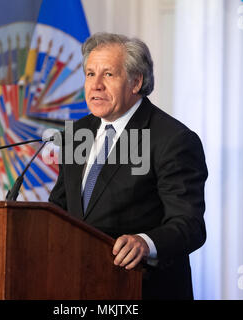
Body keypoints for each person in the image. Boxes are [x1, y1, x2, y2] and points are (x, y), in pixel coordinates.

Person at [49, 32, 208, 300]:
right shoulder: (78, 132)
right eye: (90, 74)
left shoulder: (173, 139)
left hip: (144, 288)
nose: (95, 85)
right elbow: (60, 208)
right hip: (78, 285)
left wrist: (145, 242)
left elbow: (189, 225)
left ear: (136, 82)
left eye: (108, 75)